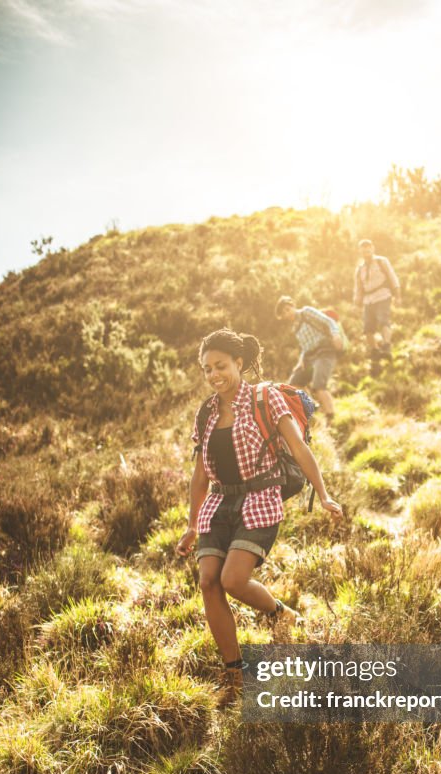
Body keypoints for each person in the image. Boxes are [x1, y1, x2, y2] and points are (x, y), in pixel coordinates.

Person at [175, 328, 343, 707]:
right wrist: (191, 523)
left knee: (233, 579)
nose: (214, 375)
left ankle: (280, 613)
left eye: (220, 366)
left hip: (259, 499)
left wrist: (325, 493)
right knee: (208, 582)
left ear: (239, 362)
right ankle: (234, 673)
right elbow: (200, 473)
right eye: (207, 369)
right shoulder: (206, 412)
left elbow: (299, 449)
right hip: (218, 506)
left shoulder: (266, 398)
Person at [274, 296, 342, 422]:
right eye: (283, 313)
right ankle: (312, 405)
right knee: (293, 384)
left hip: (325, 351)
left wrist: (335, 334)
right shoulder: (294, 327)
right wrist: (301, 361)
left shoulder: (306, 312)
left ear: (293, 306)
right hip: (309, 356)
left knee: (319, 386)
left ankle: (331, 418)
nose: (286, 313)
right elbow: (305, 346)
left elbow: (328, 321)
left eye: (288, 309)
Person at [353, 239, 401, 360]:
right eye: (364, 252)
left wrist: (397, 296)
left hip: (382, 295)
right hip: (368, 300)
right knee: (368, 328)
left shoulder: (381, 261)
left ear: (372, 249)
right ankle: (375, 351)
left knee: (383, 320)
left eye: (368, 251)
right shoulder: (360, 269)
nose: (366, 254)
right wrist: (357, 305)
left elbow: (393, 278)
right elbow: (358, 288)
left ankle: (386, 346)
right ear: (360, 252)